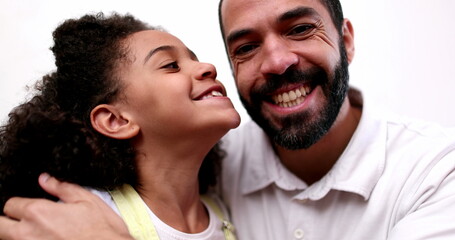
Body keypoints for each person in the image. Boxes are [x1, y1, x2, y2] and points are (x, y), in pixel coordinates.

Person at [2, 0, 455, 239]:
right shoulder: (212, 169)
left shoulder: (435, 173)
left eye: (299, 28)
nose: (277, 61)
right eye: (245, 47)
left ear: (346, 40)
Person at [0, 12, 240, 240]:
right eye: (170, 65)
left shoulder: (222, 210)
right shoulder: (83, 219)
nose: (208, 67)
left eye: (194, 58)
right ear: (116, 121)